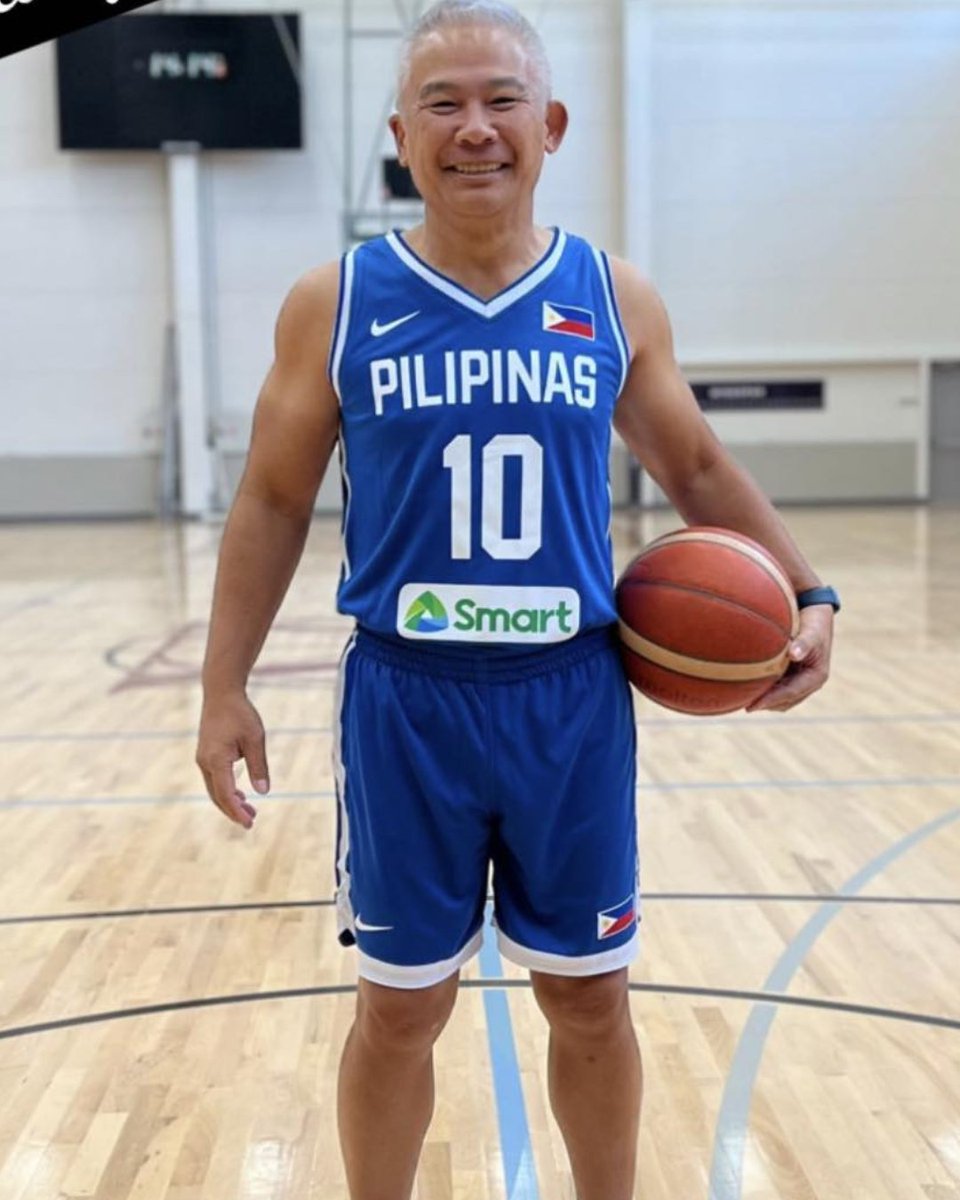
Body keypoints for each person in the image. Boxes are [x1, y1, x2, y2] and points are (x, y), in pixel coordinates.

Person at [195, 2, 837, 1197]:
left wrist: (808, 590)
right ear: (401, 135)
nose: (474, 129)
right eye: (442, 104)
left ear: (551, 125)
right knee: (400, 1010)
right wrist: (223, 685)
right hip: (407, 706)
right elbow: (274, 501)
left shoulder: (611, 295)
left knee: (592, 1000)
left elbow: (693, 466)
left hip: (569, 701)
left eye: (500, 102)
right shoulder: (336, 301)